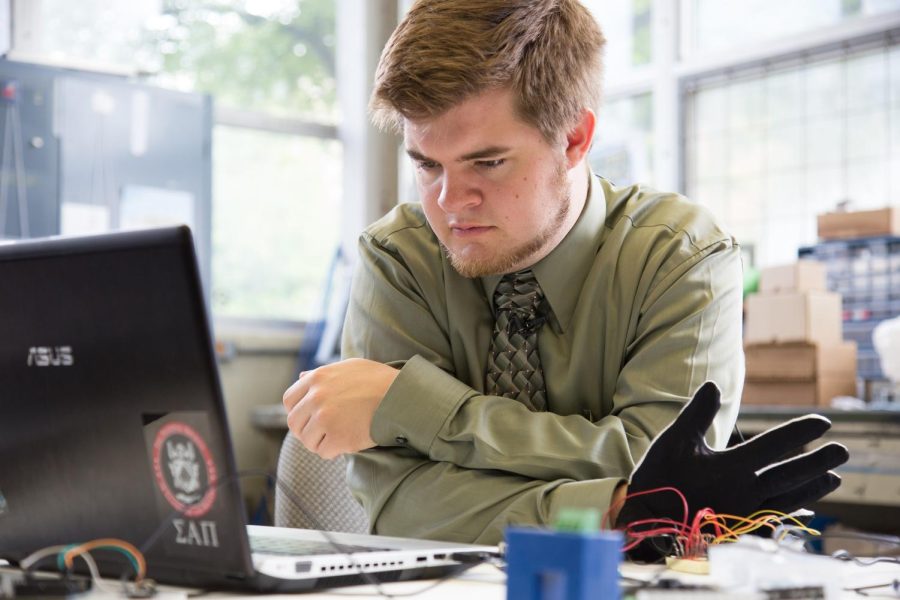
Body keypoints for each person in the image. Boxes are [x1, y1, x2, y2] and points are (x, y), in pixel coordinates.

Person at [282, 0, 848, 547]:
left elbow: (662, 474)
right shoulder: (400, 258)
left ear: (575, 138)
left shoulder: (681, 257)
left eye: (488, 162)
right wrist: (612, 511)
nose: (450, 202)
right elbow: (398, 504)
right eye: (428, 165)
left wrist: (422, 409)